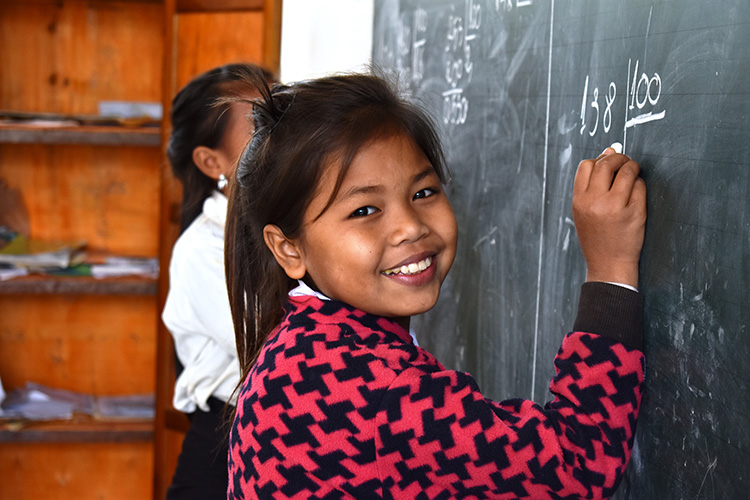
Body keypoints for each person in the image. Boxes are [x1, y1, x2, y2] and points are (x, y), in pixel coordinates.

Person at [224, 72, 647, 499]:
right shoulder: (376, 390)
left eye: (424, 192)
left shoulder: (299, 351)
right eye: (365, 209)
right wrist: (611, 267)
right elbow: (575, 464)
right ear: (289, 248)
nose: (409, 226)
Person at [161, 62, 275, 499]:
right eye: (260, 123)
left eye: (282, 110)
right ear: (212, 162)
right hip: (225, 445)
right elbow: (270, 339)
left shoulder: (293, 223)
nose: (281, 130)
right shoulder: (201, 250)